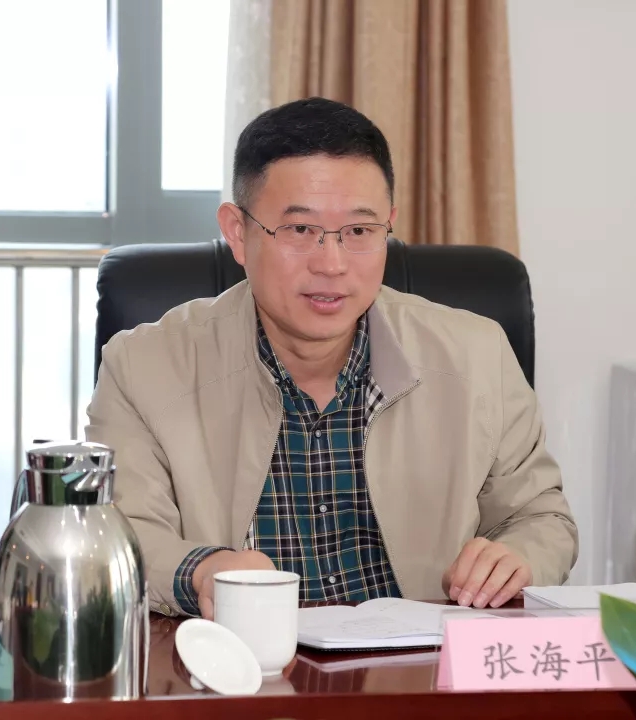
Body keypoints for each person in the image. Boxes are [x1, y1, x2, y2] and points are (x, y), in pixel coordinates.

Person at [86, 97, 578, 619]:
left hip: (421, 659)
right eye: (300, 230)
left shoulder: (477, 353)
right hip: (241, 656)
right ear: (237, 232)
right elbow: (116, 534)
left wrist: (518, 557)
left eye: (360, 232)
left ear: (388, 226)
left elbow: (541, 517)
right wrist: (201, 571)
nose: (332, 263)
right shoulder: (142, 367)